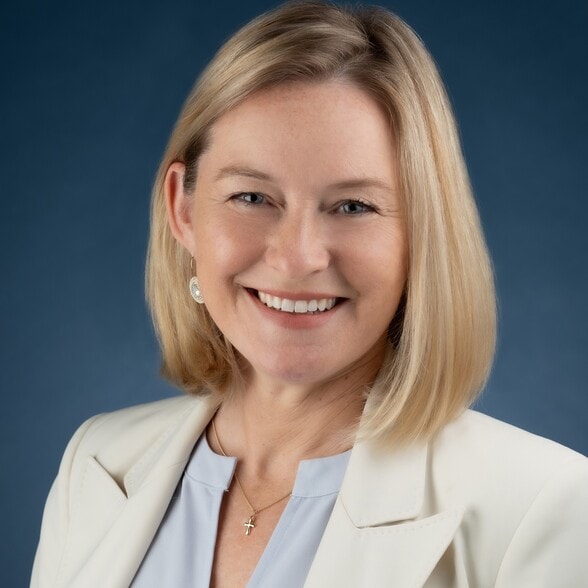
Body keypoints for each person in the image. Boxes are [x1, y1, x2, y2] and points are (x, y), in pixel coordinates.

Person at [31, 1, 588, 586]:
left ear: (423, 233)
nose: (297, 257)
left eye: (353, 206)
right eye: (252, 197)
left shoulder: (542, 506)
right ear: (183, 210)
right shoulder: (95, 463)